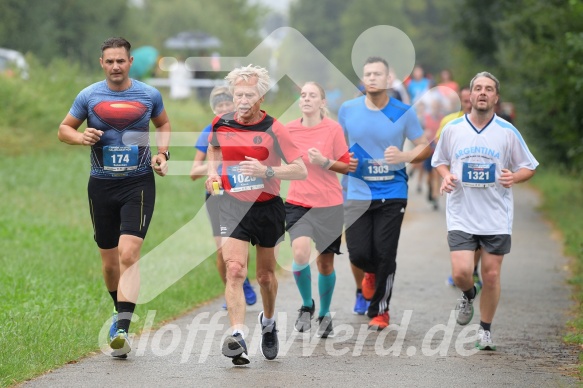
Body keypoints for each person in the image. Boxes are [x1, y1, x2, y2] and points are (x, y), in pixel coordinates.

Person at [57, 37, 171, 358]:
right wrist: (81, 137)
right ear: (101, 63)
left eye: (121, 61)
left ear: (130, 62)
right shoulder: (89, 96)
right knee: (109, 266)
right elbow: (63, 129)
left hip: (138, 184)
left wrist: (163, 153)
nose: (116, 66)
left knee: (129, 253)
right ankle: (119, 311)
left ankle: (122, 327)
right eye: (110, 61)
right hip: (101, 186)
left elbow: (163, 123)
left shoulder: (149, 95)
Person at [205, 64, 307, 365]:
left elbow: (300, 168)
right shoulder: (220, 123)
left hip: (267, 208)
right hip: (233, 206)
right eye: (238, 94)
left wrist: (268, 170)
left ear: (261, 97)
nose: (243, 100)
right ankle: (238, 336)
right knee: (235, 269)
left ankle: (269, 321)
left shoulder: (274, 128)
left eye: (249, 94)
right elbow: (214, 150)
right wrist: (213, 173)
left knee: (264, 277)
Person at [432, 71, 538, 350]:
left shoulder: (507, 131)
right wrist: (446, 175)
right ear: (470, 95)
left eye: (488, 89)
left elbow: (529, 166)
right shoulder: (453, 129)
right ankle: (468, 293)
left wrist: (513, 177)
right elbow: (439, 161)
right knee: (461, 272)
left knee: (491, 274)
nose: (482, 93)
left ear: (496, 97)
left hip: (496, 215)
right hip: (461, 213)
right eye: (478, 88)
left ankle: (485, 331)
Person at [339, 57, 431, 329]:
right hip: (357, 190)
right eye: (367, 74)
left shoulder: (403, 111)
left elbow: (424, 147)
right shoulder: (348, 109)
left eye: (377, 74)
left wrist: (404, 155)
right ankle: (369, 273)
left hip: (392, 191)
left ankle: (381, 310)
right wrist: (345, 160)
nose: (372, 78)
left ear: (389, 80)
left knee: (385, 252)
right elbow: (338, 146)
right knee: (357, 253)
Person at [284, 82, 354, 338]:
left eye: (313, 95)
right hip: (298, 202)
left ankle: (324, 313)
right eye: (303, 95)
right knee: (300, 254)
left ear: (323, 102)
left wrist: (324, 162)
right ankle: (306, 305)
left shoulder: (333, 129)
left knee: (325, 264)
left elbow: (347, 166)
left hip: (329, 204)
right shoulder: (288, 130)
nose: (307, 99)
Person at [190, 86, 257, 309]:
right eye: (220, 106)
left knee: (241, 245)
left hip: (242, 193)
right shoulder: (209, 130)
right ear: (214, 109)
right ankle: (234, 288)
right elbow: (194, 171)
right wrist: (214, 165)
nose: (225, 108)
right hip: (217, 195)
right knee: (221, 250)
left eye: (228, 104)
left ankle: (242, 279)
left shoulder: (246, 127)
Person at [437, 87, 483, 289]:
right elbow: (439, 151)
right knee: (459, 234)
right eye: (464, 100)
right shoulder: (450, 122)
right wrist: (446, 175)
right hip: (459, 192)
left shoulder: (491, 124)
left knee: (481, 235)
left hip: (484, 193)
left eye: (469, 100)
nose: (468, 104)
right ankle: (460, 270)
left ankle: (473, 269)